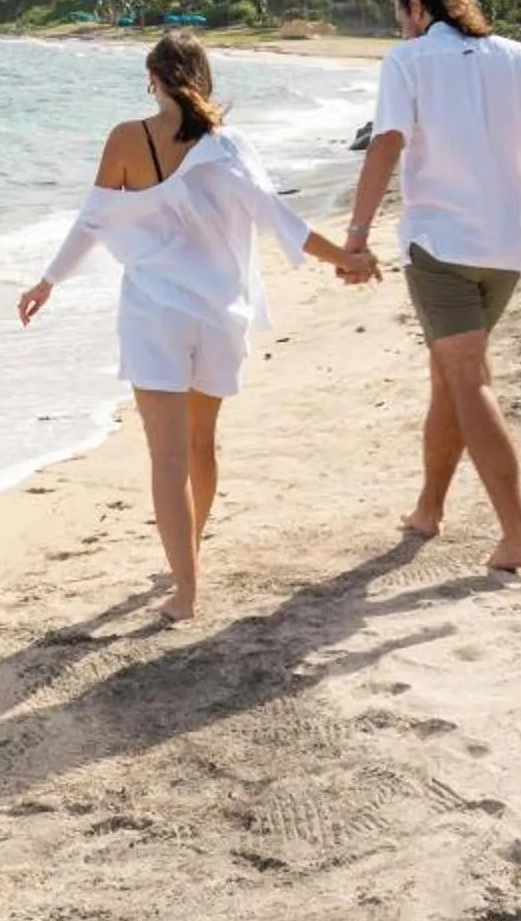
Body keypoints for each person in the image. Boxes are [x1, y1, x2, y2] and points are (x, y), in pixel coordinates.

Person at [19, 33, 357, 622]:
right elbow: (281, 220)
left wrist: (48, 281)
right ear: (204, 79)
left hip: (155, 315)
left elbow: (91, 224)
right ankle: (189, 560)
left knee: (166, 457)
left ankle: (186, 590)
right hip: (220, 316)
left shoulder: (127, 139)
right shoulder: (231, 146)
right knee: (201, 446)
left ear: (152, 77)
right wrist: (347, 257)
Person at [340, 0, 521, 574]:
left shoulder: (406, 62)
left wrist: (356, 234)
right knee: (449, 377)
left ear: (416, 9)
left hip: (440, 247)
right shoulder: (516, 57)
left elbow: (386, 144)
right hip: (505, 250)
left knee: (469, 380)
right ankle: (429, 509)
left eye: (398, 14)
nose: (400, 26)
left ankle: (518, 537)